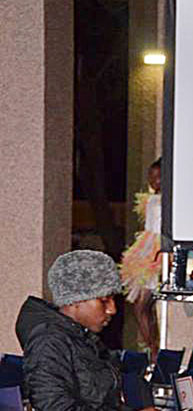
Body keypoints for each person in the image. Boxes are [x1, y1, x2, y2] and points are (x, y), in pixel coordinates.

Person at [15, 250, 155, 411]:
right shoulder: (48, 342)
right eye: (104, 301)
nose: (112, 309)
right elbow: (55, 407)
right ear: (74, 301)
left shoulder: (81, 338)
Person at [120, 158, 162, 359]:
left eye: (158, 177)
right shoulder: (151, 199)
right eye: (151, 177)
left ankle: (154, 349)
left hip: (159, 252)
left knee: (143, 304)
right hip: (146, 250)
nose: (154, 181)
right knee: (141, 306)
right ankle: (152, 346)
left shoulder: (170, 200)